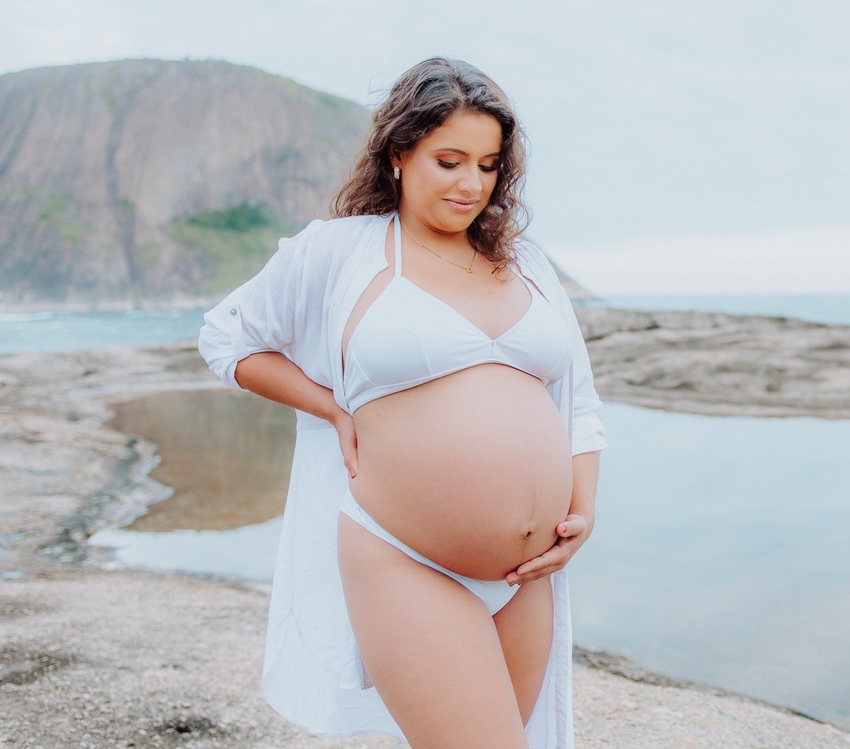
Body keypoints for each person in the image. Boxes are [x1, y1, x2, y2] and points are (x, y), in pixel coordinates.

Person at [197, 57, 605, 748]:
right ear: (399, 152)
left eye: (487, 165)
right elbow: (228, 339)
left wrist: (581, 513)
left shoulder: (527, 264)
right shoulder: (339, 251)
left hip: (526, 575)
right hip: (407, 560)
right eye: (449, 161)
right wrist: (329, 407)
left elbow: (580, 403)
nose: (470, 184)